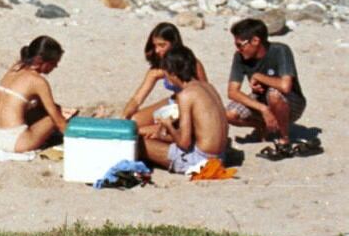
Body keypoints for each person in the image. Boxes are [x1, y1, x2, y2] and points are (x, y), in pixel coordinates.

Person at [225, 18, 310, 159]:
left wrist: (259, 76)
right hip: (262, 100)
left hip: (291, 102)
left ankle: (284, 139)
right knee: (229, 114)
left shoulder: (280, 51)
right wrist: (263, 109)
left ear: (255, 41)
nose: (238, 49)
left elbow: (285, 86)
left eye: (240, 45)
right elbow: (232, 92)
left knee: (274, 93)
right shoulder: (239, 57)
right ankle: (264, 126)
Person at [141, 47, 228, 174]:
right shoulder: (208, 87)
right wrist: (161, 136)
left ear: (172, 73)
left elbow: (184, 143)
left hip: (200, 161)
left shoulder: (185, 95)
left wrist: (168, 125)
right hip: (220, 157)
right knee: (155, 139)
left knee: (139, 144)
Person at [0, 36, 74, 152]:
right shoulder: (38, 81)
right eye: (54, 63)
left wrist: (59, 108)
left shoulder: (16, 67)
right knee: (58, 116)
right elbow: (56, 119)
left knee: (46, 109)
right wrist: (75, 137)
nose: (55, 67)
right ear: (42, 62)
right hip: (13, 142)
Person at [121, 23, 210, 132]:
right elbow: (137, 99)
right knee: (134, 122)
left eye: (162, 45)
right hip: (174, 102)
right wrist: (125, 116)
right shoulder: (158, 68)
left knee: (146, 130)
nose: (157, 50)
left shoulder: (192, 63)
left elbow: (207, 93)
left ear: (174, 44)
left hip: (190, 107)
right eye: (155, 46)